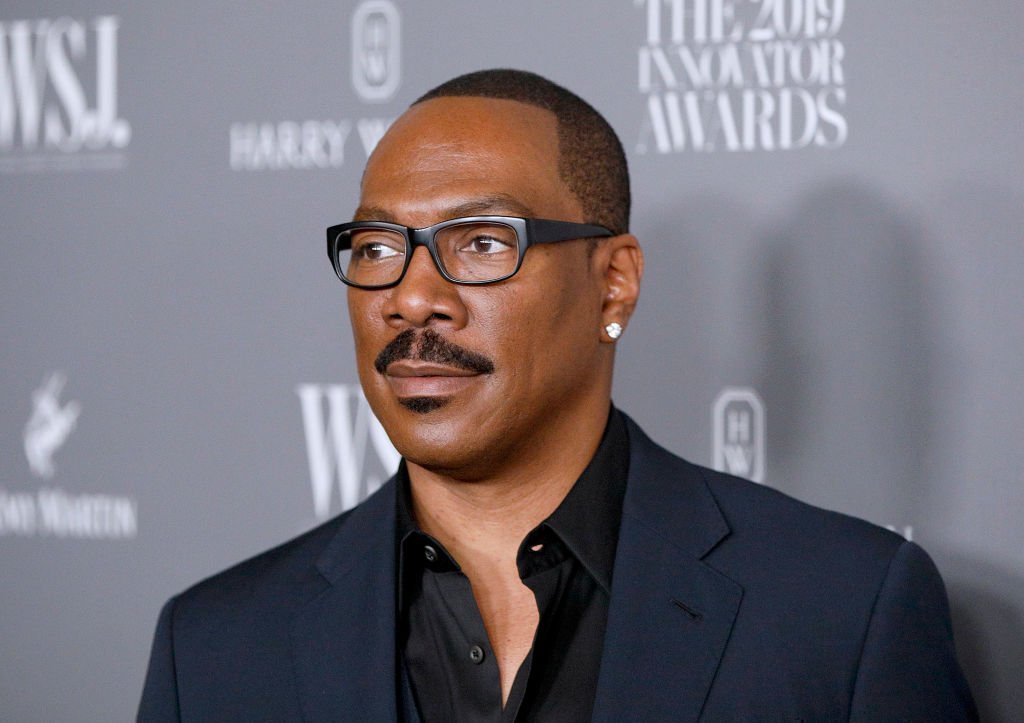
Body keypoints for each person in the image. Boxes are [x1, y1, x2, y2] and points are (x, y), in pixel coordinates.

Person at [138, 69, 976, 721]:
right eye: (376, 245)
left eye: (481, 241)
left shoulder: (843, 613)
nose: (410, 295)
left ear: (613, 285)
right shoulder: (214, 648)